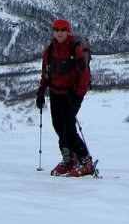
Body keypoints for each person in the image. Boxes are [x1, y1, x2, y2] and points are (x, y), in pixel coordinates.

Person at [36, 18, 95, 176]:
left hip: (70, 95)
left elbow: (84, 75)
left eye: (63, 30)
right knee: (58, 128)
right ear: (53, 31)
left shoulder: (74, 49)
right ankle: (69, 158)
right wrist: (41, 90)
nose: (60, 33)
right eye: (57, 30)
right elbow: (46, 73)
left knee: (69, 130)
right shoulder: (50, 50)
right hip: (55, 94)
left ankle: (85, 160)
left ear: (67, 31)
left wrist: (78, 99)